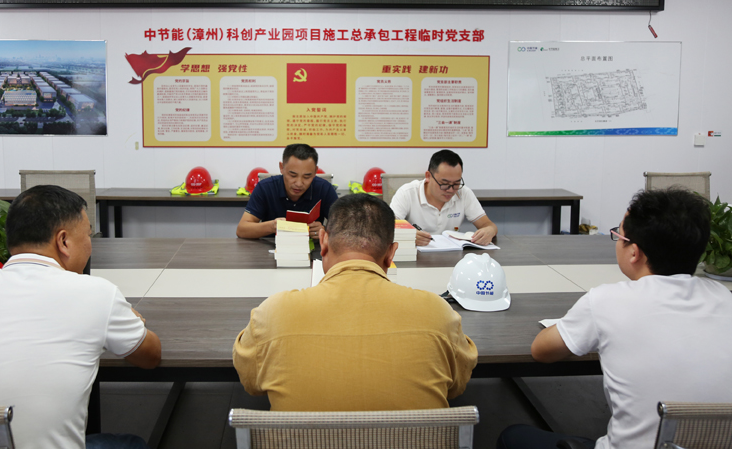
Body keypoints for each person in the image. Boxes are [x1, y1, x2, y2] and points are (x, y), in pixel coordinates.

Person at [498, 188, 732, 449]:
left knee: (512, 435)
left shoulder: (605, 301)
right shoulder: (724, 298)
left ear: (634, 253)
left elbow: (542, 351)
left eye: (618, 236)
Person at [0, 185, 161, 449]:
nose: (90, 243)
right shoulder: (96, 293)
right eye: (88, 234)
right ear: (63, 241)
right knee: (130, 444)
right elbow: (150, 356)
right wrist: (131, 319)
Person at [233, 193, 478, 411]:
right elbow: (457, 384)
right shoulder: (438, 313)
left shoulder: (274, 313)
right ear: (391, 254)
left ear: (324, 242)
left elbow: (251, 381)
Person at [390, 149, 497, 246]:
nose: (451, 190)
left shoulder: (463, 193)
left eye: (456, 183)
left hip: (451, 255)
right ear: (428, 176)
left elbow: (488, 224)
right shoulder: (407, 193)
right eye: (444, 184)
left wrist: (490, 231)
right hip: (416, 255)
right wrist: (408, 235)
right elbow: (388, 227)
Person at [236, 143, 338, 240]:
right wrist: (272, 226)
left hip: (312, 249)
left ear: (315, 171)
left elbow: (344, 229)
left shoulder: (324, 189)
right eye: (293, 175)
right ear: (282, 168)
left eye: (307, 177)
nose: (299, 183)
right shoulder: (265, 187)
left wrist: (325, 231)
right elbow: (241, 230)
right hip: (271, 248)